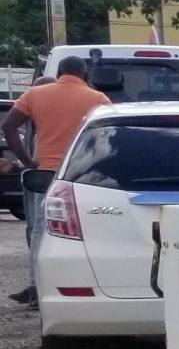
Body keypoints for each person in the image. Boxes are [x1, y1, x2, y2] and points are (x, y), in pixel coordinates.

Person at [6, 59, 111, 304]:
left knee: (39, 232)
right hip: (84, 176)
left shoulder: (35, 94)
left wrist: (27, 160)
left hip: (44, 174)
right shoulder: (98, 99)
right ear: (85, 74)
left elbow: (9, 126)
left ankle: (36, 288)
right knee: (82, 233)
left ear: (60, 72)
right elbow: (107, 137)